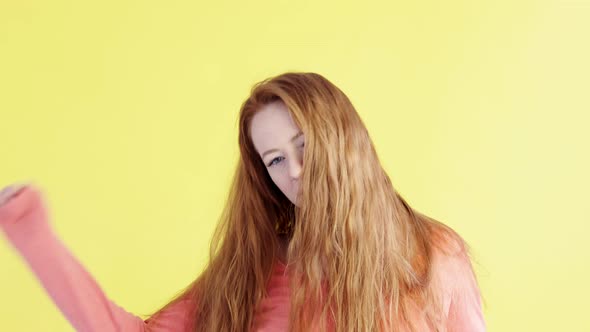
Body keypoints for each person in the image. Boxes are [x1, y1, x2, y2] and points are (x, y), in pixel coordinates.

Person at [0, 72, 486, 331]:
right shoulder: (254, 272)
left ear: (343, 142)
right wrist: (30, 229)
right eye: (274, 160)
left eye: (303, 146)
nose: (293, 173)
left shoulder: (432, 257)